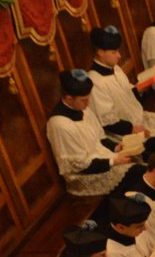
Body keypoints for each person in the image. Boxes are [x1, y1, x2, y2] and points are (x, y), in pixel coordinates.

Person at [47, 68, 137, 197]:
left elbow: (99, 138)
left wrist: (116, 147)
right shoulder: (60, 125)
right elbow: (80, 165)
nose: (88, 103)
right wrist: (114, 162)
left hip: (101, 160)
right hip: (85, 176)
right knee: (138, 175)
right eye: (84, 100)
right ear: (69, 99)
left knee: (140, 165)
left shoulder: (82, 108)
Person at [85, 24, 155, 138]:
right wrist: (132, 129)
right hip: (124, 134)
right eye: (114, 52)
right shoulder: (95, 82)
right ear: (100, 52)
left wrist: (142, 86)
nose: (119, 56)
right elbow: (107, 121)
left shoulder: (115, 68)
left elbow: (127, 96)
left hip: (139, 120)